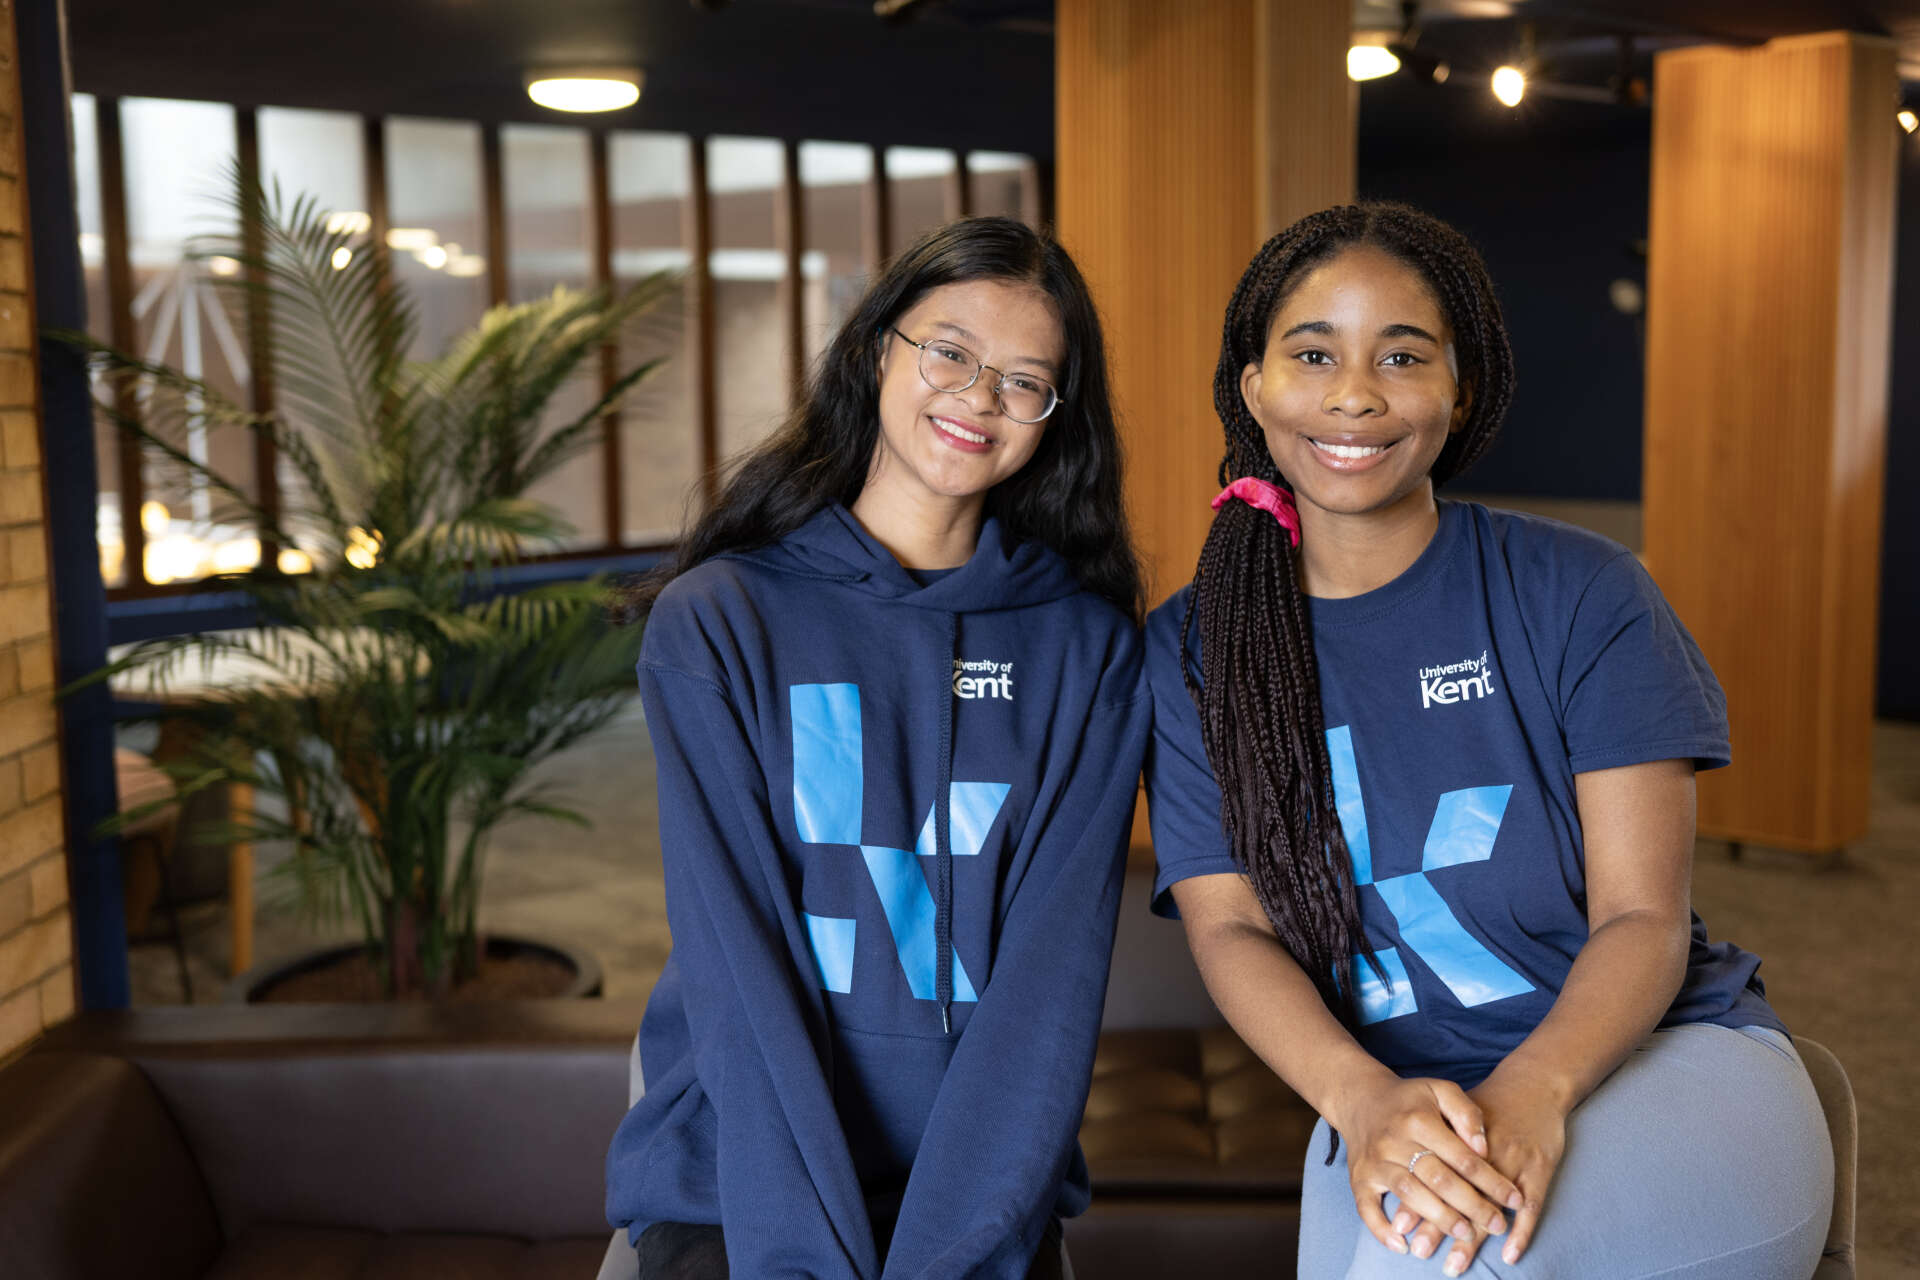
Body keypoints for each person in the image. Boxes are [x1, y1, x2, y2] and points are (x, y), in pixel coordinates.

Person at [1143, 202, 1832, 1279]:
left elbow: (1643, 915)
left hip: (1657, 1064)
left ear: (1462, 389)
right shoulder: (1191, 646)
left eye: (1403, 355)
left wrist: (1532, 1094)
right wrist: (1359, 1097)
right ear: (1253, 387)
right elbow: (1230, 927)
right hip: (1393, 1099)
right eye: (1312, 352)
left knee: (1437, 1267)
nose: (1356, 392)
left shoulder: (1581, 590)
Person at [605, 216, 1149, 1279]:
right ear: (874, 350)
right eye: (949, 350)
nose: (979, 396)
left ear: (1052, 418)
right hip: (737, 1172)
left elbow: (1049, 989)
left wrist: (954, 1249)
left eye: (1024, 379)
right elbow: (738, 970)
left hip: (979, 1180)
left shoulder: (1088, 650)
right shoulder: (720, 620)